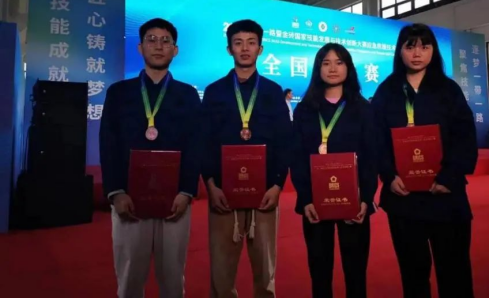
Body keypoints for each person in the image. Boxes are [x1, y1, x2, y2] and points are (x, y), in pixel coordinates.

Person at [372, 23, 478, 299]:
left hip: (445, 196)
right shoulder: (386, 91)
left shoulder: (448, 89)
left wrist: (449, 177)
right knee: (413, 275)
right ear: (400, 51)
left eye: (424, 46)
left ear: (433, 51)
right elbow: (376, 139)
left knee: (454, 272)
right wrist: (388, 176)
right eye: (410, 47)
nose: (417, 53)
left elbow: (465, 136)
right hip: (404, 199)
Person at [100, 18, 201, 298]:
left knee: (172, 278)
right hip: (129, 199)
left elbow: (195, 144)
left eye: (165, 41)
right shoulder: (119, 93)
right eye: (151, 40)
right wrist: (116, 192)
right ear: (140, 47)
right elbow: (108, 144)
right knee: (130, 277)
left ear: (175, 50)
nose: (158, 46)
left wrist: (186, 191)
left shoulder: (188, 95)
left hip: (175, 200)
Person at [201, 20, 293, 299]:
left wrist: (277, 185)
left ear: (260, 49)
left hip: (264, 193)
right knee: (221, 272)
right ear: (229, 49)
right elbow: (204, 141)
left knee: (265, 273)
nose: (245, 48)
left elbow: (284, 141)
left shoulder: (272, 91)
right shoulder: (215, 91)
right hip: (223, 193)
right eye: (238, 43)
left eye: (251, 43)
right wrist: (211, 185)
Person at [291, 43, 378, 299]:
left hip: (354, 203)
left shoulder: (362, 108)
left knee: (356, 272)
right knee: (320, 273)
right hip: (315, 203)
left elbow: (371, 157)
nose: (332, 68)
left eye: (339, 62)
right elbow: (297, 157)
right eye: (326, 63)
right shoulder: (305, 110)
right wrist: (305, 198)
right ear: (317, 68)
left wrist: (366, 198)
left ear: (348, 68)